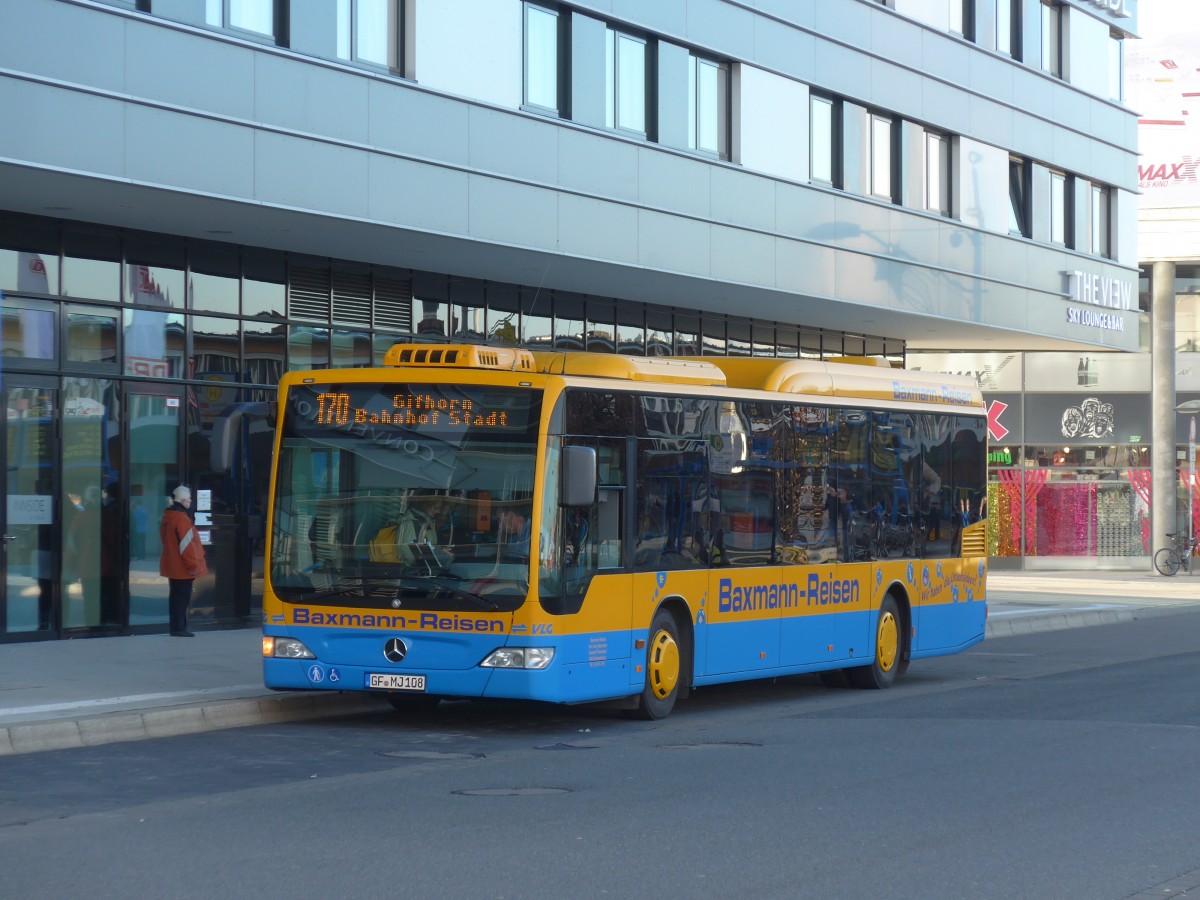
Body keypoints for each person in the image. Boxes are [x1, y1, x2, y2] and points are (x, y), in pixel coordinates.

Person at [160, 485, 207, 637]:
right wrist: (193, 564)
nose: (190, 502)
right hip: (182, 568)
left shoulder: (168, 516)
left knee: (175, 597)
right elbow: (187, 546)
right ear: (182, 500)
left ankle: (176, 627)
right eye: (188, 499)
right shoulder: (181, 519)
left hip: (172, 564)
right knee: (181, 599)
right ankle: (179, 628)